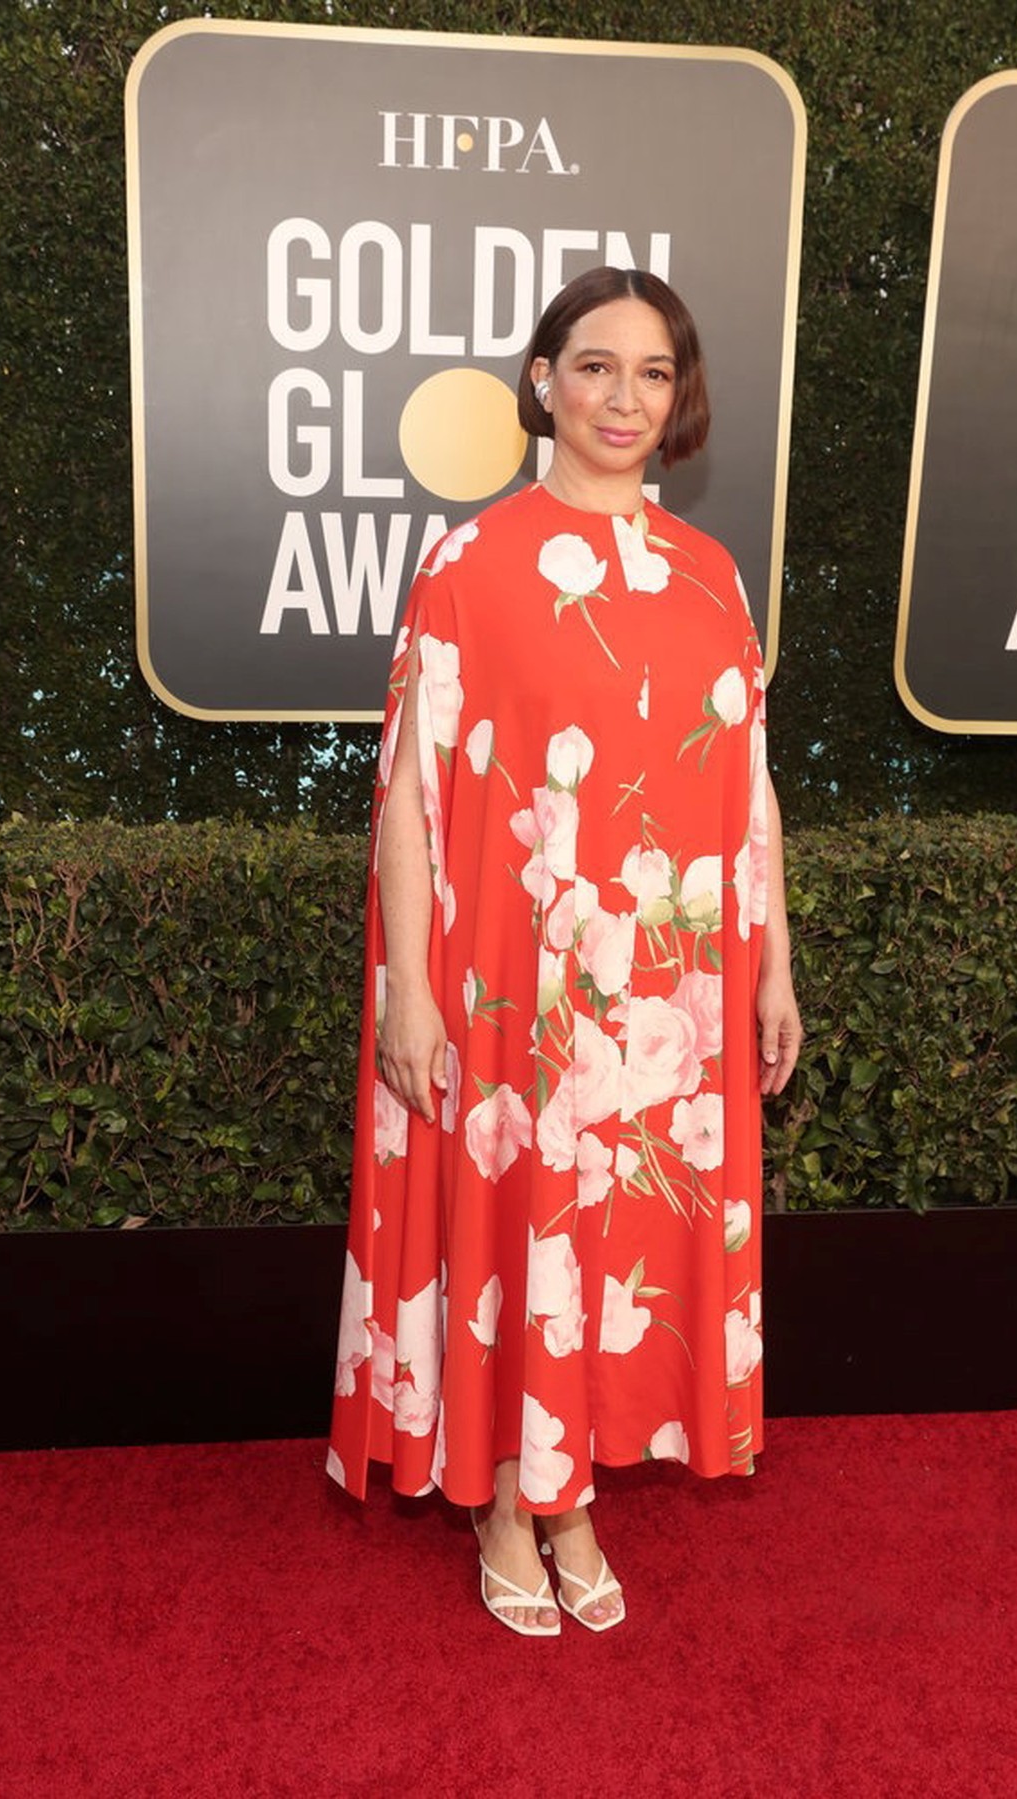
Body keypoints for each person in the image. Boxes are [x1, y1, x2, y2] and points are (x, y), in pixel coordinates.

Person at [328, 266, 801, 1636]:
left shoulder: (712, 574)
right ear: (542, 381)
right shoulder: (469, 563)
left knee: (618, 1237)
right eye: (595, 367)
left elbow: (752, 784)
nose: (623, 398)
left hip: (668, 993)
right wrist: (411, 990)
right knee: (524, 1227)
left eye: (653, 373)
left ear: (680, 397)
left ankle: (574, 1485)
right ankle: (507, 1500)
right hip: (511, 987)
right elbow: (409, 795)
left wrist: (775, 966)